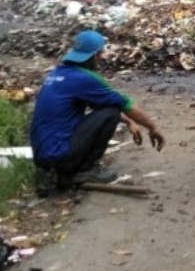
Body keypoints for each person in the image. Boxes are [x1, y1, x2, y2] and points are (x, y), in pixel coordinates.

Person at [30, 30, 165, 191]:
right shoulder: (84, 78)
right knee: (111, 113)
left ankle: (54, 173)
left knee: (108, 110)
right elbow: (124, 105)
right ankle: (85, 170)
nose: (101, 58)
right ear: (94, 56)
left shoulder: (58, 73)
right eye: (100, 53)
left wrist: (129, 122)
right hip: (59, 155)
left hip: (43, 155)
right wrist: (153, 127)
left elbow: (101, 104)